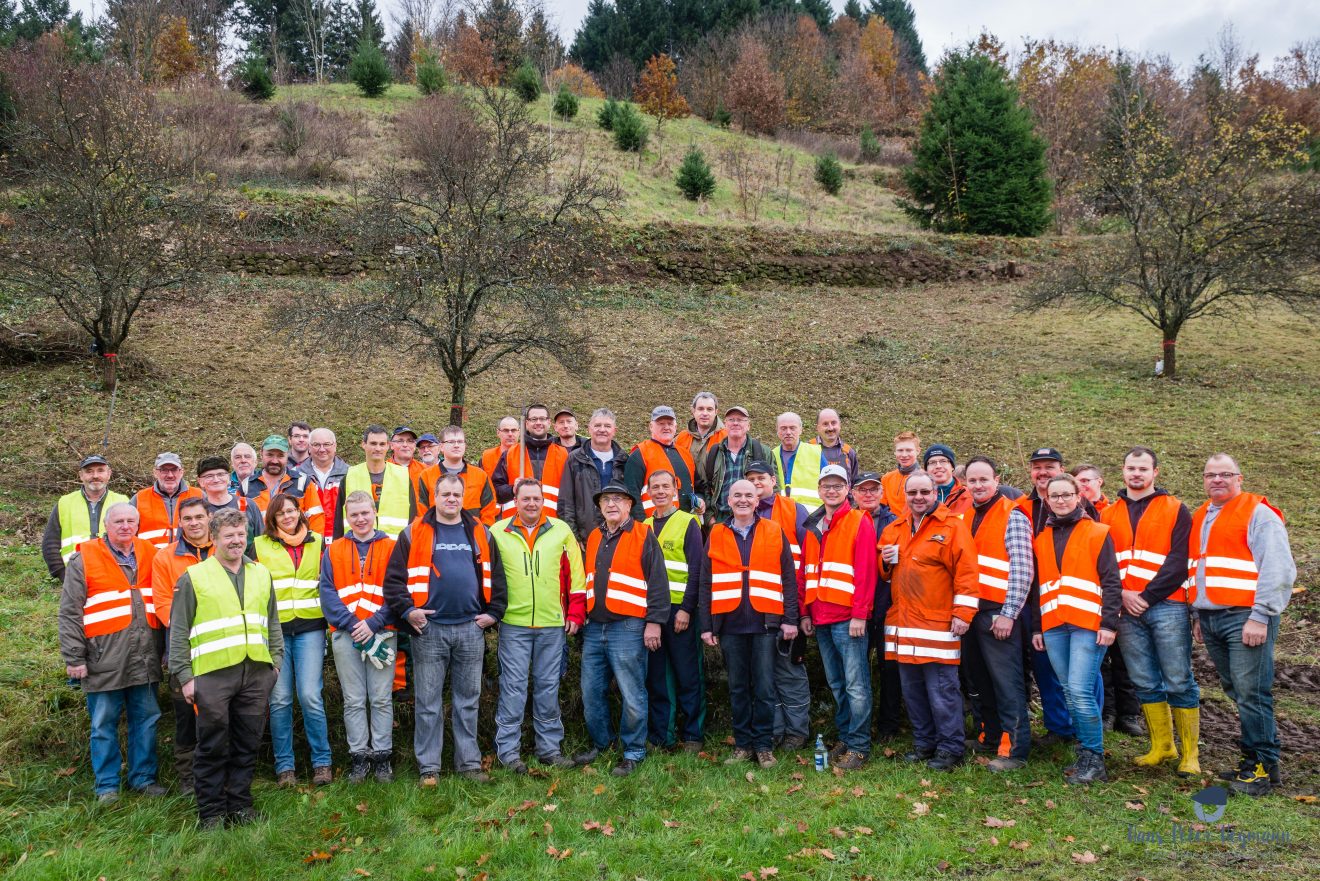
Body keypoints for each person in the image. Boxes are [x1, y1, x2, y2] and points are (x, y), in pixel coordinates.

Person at [383, 473, 506, 784]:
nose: (451, 499)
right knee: (428, 702)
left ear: (463, 497)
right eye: (445, 494)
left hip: (470, 628)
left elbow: (498, 577)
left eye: (456, 494)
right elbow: (394, 581)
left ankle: (469, 764)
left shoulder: (480, 532)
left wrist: (493, 613)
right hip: (430, 630)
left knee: (468, 699)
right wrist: (409, 611)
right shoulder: (414, 533)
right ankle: (429, 767)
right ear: (434, 497)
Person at [169, 508, 283, 829]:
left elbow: (272, 622)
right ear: (214, 538)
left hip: (256, 674)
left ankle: (240, 807)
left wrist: (275, 664)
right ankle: (212, 813)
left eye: (240, 534)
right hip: (212, 676)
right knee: (212, 746)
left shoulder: (261, 573)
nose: (236, 541)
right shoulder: (194, 577)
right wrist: (185, 676)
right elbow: (177, 630)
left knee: (247, 743)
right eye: (229, 535)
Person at [1190, 453, 1296, 796]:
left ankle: (1262, 766)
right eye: (1210, 475)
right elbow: (1199, 569)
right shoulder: (1202, 515)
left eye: (1225, 474)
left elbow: (1278, 568)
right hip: (1211, 617)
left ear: (1240, 477)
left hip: (1245, 617)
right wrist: (1196, 614)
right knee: (1237, 689)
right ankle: (1257, 758)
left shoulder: (1258, 513)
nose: (1217, 480)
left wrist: (1261, 615)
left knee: (1252, 692)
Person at [1101, 447, 1198, 776]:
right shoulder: (1108, 514)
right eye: (1131, 468)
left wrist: (1147, 596)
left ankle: (1190, 755)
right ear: (1123, 471)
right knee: (1143, 679)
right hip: (1126, 609)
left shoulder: (1175, 509)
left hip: (1167, 604)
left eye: (1143, 468)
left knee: (1178, 678)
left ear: (1155, 472)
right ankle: (1162, 746)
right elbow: (1105, 562)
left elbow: (1180, 559)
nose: (1136, 474)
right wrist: (1124, 595)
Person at [58, 503, 164, 803]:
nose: (125, 526)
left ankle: (143, 778)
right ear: (106, 524)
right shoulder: (85, 557)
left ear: (138, 524)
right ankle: (107, 786)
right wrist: (74, 657)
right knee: (103, 724)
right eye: (119, 521)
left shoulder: (151, 553)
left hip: (145, 656)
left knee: (146, 719)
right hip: (102, 657)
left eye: (131, 520)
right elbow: (69, 611)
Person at [879, 471, 978, 771]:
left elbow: (967, 573)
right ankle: (924, 743)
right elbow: (883, 570)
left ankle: (951, 748)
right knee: (913, 691)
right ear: (905, 495)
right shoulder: (895, 527)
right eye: (913, 493)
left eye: (925, 492)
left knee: (942, 691)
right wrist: (885, 561)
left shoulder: (952, 527)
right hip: (903, 624)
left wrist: (963, 613)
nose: (918, 497)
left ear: (936, 492)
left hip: (937, 624)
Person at [699, 479, 800, 770]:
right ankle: (743, 745)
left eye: (748, 495)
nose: (743, 500)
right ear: (728, 501)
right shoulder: (716, 533)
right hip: (729, 624)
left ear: (757, 501)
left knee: (765, 688)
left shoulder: (773, 530)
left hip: (765, 623)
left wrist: (790, 619)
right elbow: (706, 581)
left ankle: (764, 746)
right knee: (738, 688)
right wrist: (707, 625)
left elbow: (788, 579)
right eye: (737, 496)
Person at [1029, 474, 1123, 785]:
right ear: (1047, 501)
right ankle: (1085, 752)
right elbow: (1039, 587)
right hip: (1055, 624)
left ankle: (1094, 757)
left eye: (1066, 495)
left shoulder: (1097, 532)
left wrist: (1109, 623)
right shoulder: (1042, 538)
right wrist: (1038, 627)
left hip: (1087, 625)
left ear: (1078, 496)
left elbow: (1111, 581)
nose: (1060, 500)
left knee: (1081, 691)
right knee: (1069, 690)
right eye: (1054, 496)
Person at [571, 482, 669, 777]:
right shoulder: (594, 536)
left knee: (632, 691)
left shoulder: (643, 534)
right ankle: (602, 744)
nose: (611, 504)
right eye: (606, 500)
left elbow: (658, 580)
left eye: (618, 499)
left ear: (629, 505)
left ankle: (634, 750)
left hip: (629, 626)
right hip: (595, 626)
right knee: (590, 692)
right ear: (600, 507)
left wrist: (654, 622)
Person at [489, 478, 584, 773]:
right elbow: (488, 576)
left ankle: (549, 749)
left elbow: (576, 574)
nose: (532, 503)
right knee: (513, 688)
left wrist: (575, 612)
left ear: (544, 501)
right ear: (515, 501)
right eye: (526, 498)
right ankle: (508, 752)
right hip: (513, 623)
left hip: (552, 623)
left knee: (547, 687)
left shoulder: (561, 530)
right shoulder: (498, 531)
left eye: (537, 498)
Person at [1017, 447, 1101, 747]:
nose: (1043, 472)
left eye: (1049, 466)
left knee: (1085, 671)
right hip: (1036, 598)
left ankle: (1089, 727)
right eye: (1037, 467)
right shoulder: (1020, 506)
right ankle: (1058, 726)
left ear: (1061, 469)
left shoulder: (1083, 507)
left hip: (1078, 601)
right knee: (1045, 664)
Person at [959, 456, 1034, 772]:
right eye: (972, 481)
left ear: (997, 479)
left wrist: (1009, 613)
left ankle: (1013, 748)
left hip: (997, 612)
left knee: (1006, 682)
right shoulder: (964, 517)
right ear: (965, 484)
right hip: (971, 611)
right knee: (979, 679)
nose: (977, 485)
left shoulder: (1012, 515)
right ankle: (988, 734)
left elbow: (1022, 568)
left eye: (983, 479)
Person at [319, 491, 399, 784]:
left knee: (379, 698)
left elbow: (398, 591)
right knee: (353, 700)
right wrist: (354, 625)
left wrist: (375, 623)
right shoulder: (335, 549)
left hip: (383, 634)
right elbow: (327, 594)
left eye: (365, 513)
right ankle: (359, 758)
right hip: (345, 635)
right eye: (354, 515)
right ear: (347, 517)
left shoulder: (392, 547)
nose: (360, 519)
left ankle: (382, 757)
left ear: (374, 511)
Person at [253, 493, 331, 786]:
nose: (287, 517)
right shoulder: (259, 546)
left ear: (300, 512)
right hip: (275, 633)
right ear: (272, 519)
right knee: (280, 699)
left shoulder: (319, 542)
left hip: (310, 628)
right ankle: (285, 767)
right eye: (280, 513)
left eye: (291, 511)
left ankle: (322, 762)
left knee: (310, 696)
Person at [803, 464, 877, 770]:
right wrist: (806, 611)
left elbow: (866, 572)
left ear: (848, 489)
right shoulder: (813, 526)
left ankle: (859, 746)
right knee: (837, 684)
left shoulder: (859, 520)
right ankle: (846, 737)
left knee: (856, 685)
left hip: (848, 619)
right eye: (826, 485)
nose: (831, 490)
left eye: (838, 486)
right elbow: (807, 572)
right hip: (820, 617)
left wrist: (860, 614)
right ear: (819, 489)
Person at [745, 460, 816, 751]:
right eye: (751, 479)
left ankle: (797, 731)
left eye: (761, 477)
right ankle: (773, 730)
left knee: (790, 671)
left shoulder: (793, 510)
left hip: (788, 606)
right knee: (763, 675)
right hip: (755, 610)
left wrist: (800, 610)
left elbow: (806, 558)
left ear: (773, 480)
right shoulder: (743, 513)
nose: (757, 482)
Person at [151, 497, 213, 794]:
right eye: (187, 518)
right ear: (180, 522)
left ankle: (219, 770)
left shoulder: (223, 549)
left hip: (219, 643)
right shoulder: (165, 558)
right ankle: (188, 777)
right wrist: (186, 629)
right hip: (183, 647)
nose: (194, 523)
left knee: (218, 713)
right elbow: (163, 603)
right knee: (186, 716)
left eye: (199, 517)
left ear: (209, 518)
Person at [643, 469, 707, 752]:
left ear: (675, 489)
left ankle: (693, 735)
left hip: (680, 612)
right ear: (648, 491)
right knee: (658, 678)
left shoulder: (688, 522)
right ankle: (662, 736)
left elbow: (697, 570)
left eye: (664, 486)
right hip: (653, 614)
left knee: (688, 674)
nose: (659, 491)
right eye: (654, 487)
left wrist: (687, 609)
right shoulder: (642, 525)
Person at [851, 471, 902, 742]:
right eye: (863, 490)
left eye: (873, 490)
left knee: (889, 667)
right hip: (857, 606)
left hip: (887, 606)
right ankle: (858, 723)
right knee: (856, 670)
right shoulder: (848, 520)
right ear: (854, 494)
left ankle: (889, 726)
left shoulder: (895, 523)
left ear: (882, 493)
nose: (868, 494)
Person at [43, 453, 128, 582]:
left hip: (116, 577)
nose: (95, 476)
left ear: (109, 474)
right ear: (81, 475)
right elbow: (50, 544)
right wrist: (62, 574)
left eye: (100, 470)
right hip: (75, 576)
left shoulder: (123, 502)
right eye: (89, 471)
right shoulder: (65, 503)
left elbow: (135, 540)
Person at [560, 408, 630, 545]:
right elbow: (566, 501)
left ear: (614, 430)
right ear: (589, 429)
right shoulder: (575, 459)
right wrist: (574, 536)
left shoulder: (624, 460)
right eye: (597, 425)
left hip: (620, 536)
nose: (602, 430)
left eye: (607, 426)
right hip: (586, 537)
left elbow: (631, 501)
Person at [335, 425, 417, 539]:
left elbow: (412, 517)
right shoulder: (350, 476)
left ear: (388, 446)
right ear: (363, 444)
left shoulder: (402, 476)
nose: (378, 448)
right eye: (373, 443)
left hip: (395, 548)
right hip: (357, 547)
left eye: (382, 444)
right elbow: (339, 518)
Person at [623, 406, 704, 520]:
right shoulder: (639, 454)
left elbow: (698, 486)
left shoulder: (685, 454)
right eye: (661, 423)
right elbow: (631, 495)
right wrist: (643, 527)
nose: (666, 427)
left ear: (675, 427)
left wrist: (700, 499)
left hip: (686, 525)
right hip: (654, 527)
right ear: (651, 426)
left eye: (670, 424)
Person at [492, 405, 570, 519]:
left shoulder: (564, 454)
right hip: (516, 526)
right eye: (534, 419)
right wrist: (511, 489)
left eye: (542, 419)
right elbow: (494, 491)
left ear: (549, 422)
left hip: (553, 525)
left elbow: (573, 496)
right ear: (527, 424)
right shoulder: (510, 454)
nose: (538, 422)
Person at [698, 405, 770, 526]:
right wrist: (710, 519)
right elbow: (704, 487)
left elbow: (774, 487)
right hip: (721, 522)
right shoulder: (713, 454)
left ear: (748, 425)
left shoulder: (762, 452)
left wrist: (764, 516)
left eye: (740, 420)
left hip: (753, 521)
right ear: (725, 425)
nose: (735, 423)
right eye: (731, 420)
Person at [416, 425, 498, 525]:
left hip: (472, 537)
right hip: (438, 536)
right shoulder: (426, 476)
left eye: (460, 442)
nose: (456, 445)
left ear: (465, 445)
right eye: (451, 442)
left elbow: (489, 510)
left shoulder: (480, 476)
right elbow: (421, 512)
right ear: (441, 447)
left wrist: (483, 534)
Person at [245, 435, 322, 532]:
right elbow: (241, 525)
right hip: (260, 546)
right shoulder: (246, 486)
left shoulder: (302, 482)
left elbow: (316, 519)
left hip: (296, 545)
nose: (274, 460)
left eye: (280, 455)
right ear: (261, 454)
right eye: (270, 455)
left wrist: (313, 544)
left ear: (287, 455)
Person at [132, 452, 201, 549]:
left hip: (191, 559)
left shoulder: (199, 495)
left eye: (174, 470)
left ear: (181, 472)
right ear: (155, 473)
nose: (170, 475)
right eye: (164, 470)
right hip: (150, 561)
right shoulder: (139, 499)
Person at [195, 456, 263, 546]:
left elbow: (261, 540)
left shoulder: (248, 505)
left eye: (220, 474)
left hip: (248, 559)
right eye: (209, 476)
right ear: (200, 481)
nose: (216, 480)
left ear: (229, 477)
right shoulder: (197, 510)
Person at [297, 428, 350, 537]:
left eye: (327, 444)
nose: (322, 449)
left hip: (341, 540)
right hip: (308, 540)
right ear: (309, 447)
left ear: (335, 446)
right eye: (316, 445)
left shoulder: (350, 474)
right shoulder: (296, 475)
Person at [675, 391, 727, 467]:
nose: (705, 413)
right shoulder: (680, 438)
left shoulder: (727, 438)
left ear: (716, 412)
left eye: (709, 409)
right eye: (700, 409)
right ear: (693, 411)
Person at [882, 431, 922, 517]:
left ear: (918, 451)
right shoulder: (887, 478)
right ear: (895, 452)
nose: (904, 455)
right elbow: (882, 507)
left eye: (909, 450)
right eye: (900, 450)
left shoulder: (926, 478)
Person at [922, 444, 971, 514]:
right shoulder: (917, 496)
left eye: (943, 461)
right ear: (926, 469)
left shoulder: (969, 496)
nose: (938, 466)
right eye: (932, 462)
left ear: (952, 467)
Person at [814, 409, 859, 484]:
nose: (830, 428)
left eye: (833, 423)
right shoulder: (807, 449)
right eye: (825, 424)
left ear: (839, 425)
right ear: (817, 427)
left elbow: (854, 483)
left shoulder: (849, 452)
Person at [770, 412, 803, 499]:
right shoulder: (770, 455)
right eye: (783, 428)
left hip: (812, 511)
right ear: (777, 430)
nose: (788, 432)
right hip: (779, 509)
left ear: (800, 430)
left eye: (792, 428)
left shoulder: (816, 453)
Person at [389, 426, 427, 498]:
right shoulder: (383, 470)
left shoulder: (425, 471)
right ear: (391, 445)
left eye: (410, 441)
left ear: (414, 445)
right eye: (400, 441)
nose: (405, 445)